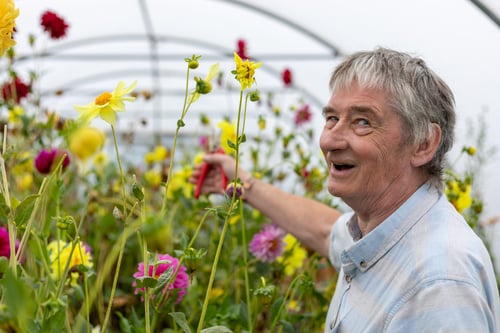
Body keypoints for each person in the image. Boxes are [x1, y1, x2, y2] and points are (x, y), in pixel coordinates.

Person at [190, 47, 500, 332]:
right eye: (332, 118)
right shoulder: (381, 231)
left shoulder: (438, 286)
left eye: (362, 122)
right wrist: (244, 184)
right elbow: (326, 231)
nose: (328, 141)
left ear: (423, 144)